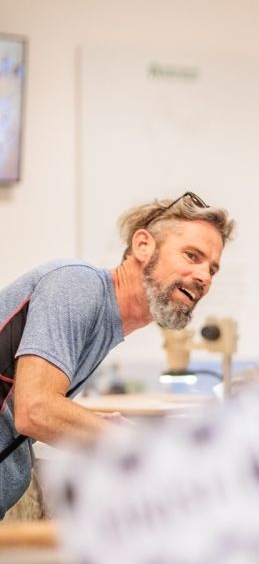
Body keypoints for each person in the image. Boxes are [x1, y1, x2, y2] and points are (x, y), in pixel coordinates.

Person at [0, 192, 234, 516]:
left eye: (213, 269)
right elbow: (36, 410)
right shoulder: (77, 285)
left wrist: (94, 426)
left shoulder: (104, 325)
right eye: (192, 256)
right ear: (142, 246)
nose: (204, 278)